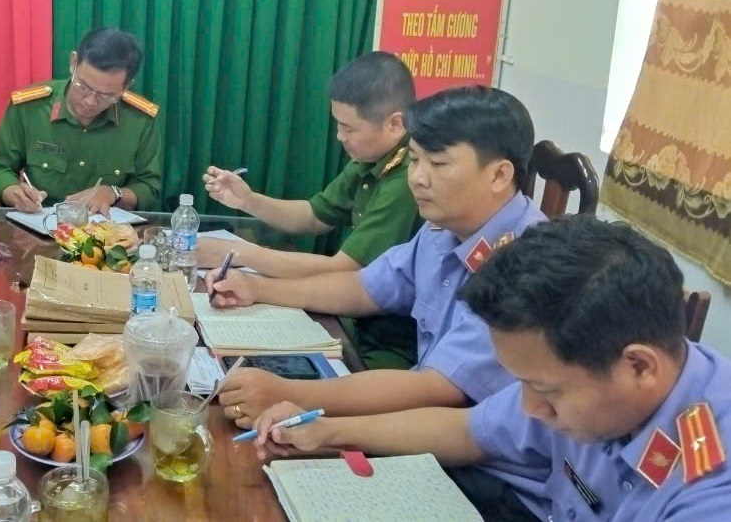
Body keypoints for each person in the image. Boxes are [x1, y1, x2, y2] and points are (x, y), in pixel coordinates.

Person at [252, 216, 731, 520]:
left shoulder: (711, 489)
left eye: (546, 391)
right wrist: (325, 432)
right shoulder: (589, 381)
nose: (529, 407)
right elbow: (468, 430)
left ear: (640, 367)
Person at [207, 86, 545, 428]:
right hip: (421, 411)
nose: (418, 178)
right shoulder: (442, 228)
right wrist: (257, 289)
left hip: (467, 440)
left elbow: (439, 387)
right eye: (415, 159)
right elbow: (362, 288)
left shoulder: (525, 262)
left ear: (499, 175)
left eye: (438, 163)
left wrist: (290, 393)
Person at [199, 51, 422, 370]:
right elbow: (315, 216)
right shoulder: (372, 157)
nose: (340, 137)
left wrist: (239, 253)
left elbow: (344, 269)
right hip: (349, 317)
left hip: (388, 340)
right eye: (338, 125)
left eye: (349, 128)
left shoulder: (407, 178)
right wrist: (247, 200)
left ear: (395, 124)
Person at [0, 27, 163, 214]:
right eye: (83, 87)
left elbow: (149, 187)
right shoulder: (30, 108)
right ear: (73, 62)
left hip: (105, 228)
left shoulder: (139, 120)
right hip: (40, 221)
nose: (90, 101)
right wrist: (14, 194)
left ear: (126, 87)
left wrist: (113, 193)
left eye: (106, 95)